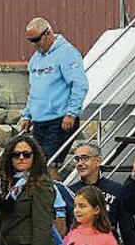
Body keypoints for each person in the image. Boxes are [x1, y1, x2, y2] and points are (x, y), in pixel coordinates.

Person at [68, 140, 135, 245]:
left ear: (98, 160)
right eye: (77, 159)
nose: (80, 163)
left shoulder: (117, 190)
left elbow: (128, 230)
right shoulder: (70, 192)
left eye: (84, 158)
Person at [19, 17, 89, 164]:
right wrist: (27, 115)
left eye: (37, 39)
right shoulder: (35, 59)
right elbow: (34, 90)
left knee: (50, 165)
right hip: (39, 122)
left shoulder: (67, 53)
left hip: (60, 121)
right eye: (30, 40)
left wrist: (71, 113)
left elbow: (79, 84)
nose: (34, 44)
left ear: (48, 33)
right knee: (37, 165)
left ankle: (56, 187)